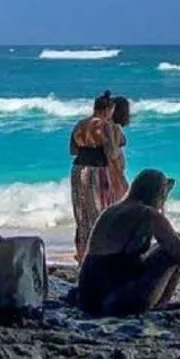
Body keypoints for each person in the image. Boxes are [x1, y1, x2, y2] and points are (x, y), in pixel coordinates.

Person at [76, 168, 180, 317]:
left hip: (88, 298)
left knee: (161, 247)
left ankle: (159, 303)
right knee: (174, 247)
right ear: (159, 193)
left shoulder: (113, 210)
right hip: (115, 301)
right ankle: (161, 304)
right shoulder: (148, 213)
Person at [69, 91, 118, 262]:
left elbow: (72, 151)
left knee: (81, 215)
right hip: (97, 170)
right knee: (100, 212)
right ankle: (98, 255)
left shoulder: (79, 124)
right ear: (107, 110)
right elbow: (112, 153)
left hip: (77, 169)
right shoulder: (105, 126)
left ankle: (81, 254)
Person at [108, 96, 132, 199]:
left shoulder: (108, 125)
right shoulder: (114, 127)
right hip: (114, 170)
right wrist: (120, 177)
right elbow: (112, 153)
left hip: (112, 170)